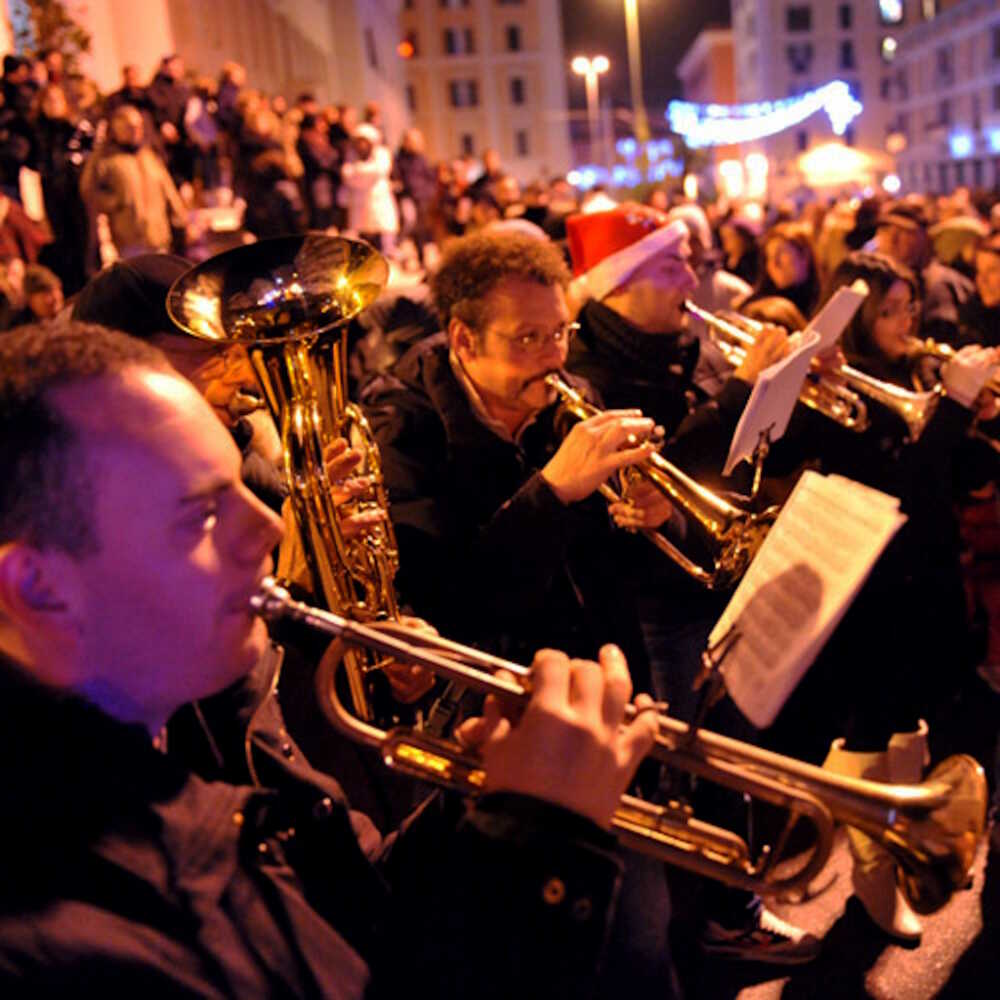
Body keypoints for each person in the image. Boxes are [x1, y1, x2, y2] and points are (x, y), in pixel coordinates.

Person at [0, 320, 660, 997]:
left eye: (240, 485)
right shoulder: (45, 929)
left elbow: (360, 912)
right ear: (40, 587)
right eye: (198, 514)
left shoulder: (211, 709)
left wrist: (492, 801)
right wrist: (541, 848)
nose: (272, 526)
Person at [79, 104, 188, 259]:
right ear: (117, 128)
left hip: (159, 237)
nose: (137, 130)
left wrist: (181, 220)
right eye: (130, 126)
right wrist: (113, 202)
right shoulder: (104, 158)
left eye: (139, 126)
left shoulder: (148, 155)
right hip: (128, 240)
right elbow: (88, 190)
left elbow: (168, 190)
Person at [875, 200, 974, 345]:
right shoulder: (885, 280)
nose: (892, 240)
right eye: (885, 230)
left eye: (903, 232)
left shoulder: (937, 287)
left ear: (924, 237)